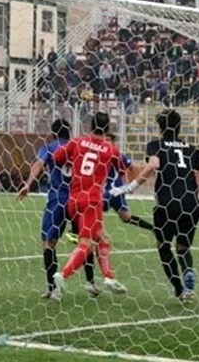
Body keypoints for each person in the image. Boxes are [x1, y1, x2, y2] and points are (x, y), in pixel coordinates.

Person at [113, 110, 199, 302]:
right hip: (191, 204)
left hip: (167, 203)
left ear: (160, 128)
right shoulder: (192, 149)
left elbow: (152, 166)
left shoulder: (155, 145)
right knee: (183, 247)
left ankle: (179, 289)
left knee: (164, 246)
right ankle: (188, 271)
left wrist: (130, 187)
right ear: (179, 127)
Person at [51, 112, 129, 299]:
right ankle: (63, 276)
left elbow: (56, 158)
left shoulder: (77, 142)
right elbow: (122, 170)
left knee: (103, 239)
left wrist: (74, 160)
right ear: (108, 128)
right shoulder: (110, 149)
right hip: (92, 201)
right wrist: (125, 189)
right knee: (86, 244)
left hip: (74, 199)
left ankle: (109, 277)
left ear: (90, 126)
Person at [17, 119, 85, 300]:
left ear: (53, 133)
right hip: (78, 199)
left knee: (48, 243)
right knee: (87, 242)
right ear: (69, 132)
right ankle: (91, 282)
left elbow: (39, 164)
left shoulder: (50, 147)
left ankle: (52, 288)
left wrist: (28, 184)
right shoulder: (77, 147)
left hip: (58, 201)